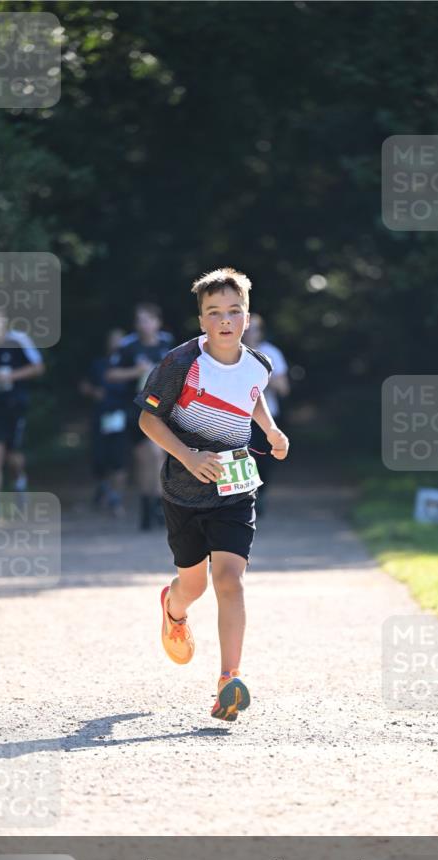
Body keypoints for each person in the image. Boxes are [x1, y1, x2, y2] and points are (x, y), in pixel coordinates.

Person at [134, 268, 290, 721]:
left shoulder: (259, 363)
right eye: (214, 313)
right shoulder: (180, 364)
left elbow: (253, 393)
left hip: (236, 488)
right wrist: (188, 455)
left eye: (234, 311)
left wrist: (272, 430)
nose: (225, 320)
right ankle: (173, 608)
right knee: (194, 585)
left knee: (229, 579)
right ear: (201, 320)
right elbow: (148, 420)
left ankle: (229, 680)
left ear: (248, 316)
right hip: (184, 489)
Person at [0, 309, 44, 524]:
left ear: (5, 324)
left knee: (13, 456)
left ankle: (19, 480)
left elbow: (38, 367)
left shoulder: (18, 341)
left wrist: (11, 375)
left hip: (15, 405)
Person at [106, 303, 174, 530]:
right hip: (136, 409)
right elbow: (111, 374)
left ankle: (155, 507)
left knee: (157, 455)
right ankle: (149, 506)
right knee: (146, 460)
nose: (143, 325)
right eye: (139, 320)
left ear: (157, 322)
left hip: (162, 409)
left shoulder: (167, 344)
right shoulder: (128, 346)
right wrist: (135, 372)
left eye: (147, 320)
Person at [242, 313, 290, 515]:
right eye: (247, 328)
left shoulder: (271, 354)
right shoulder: (230, 352)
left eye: (253, 329)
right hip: (239, 417)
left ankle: (260, 493)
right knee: (243, 455)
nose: (249, 333)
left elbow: (283, 387)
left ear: (260, 332)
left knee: (263, 459)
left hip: (266, 416)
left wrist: (258, 380)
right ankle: (244, 498)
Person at [79, 328, 129, 515]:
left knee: (119, 459)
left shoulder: (130, 365)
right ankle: (104, 487)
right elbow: (84, 385)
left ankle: (117, 500)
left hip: (121, 415)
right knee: (99, 458)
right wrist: (93, 392)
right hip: (100, 416)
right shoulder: (99, 364)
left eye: (120, 340)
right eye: (113, 340)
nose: (116, 344)